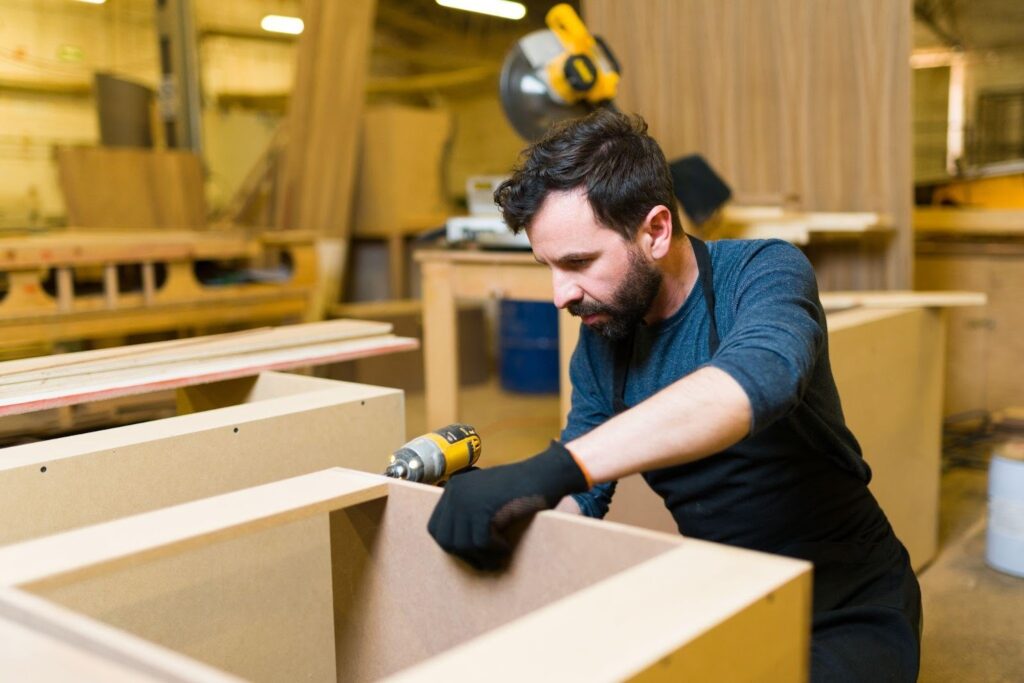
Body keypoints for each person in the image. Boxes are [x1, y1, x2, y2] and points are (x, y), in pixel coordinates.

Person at [427, 108, 921, 682]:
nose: (560, 295)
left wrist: (555, 468)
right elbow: (584, 492)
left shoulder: (762, 271)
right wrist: (509, 509)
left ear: (656, 231)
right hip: (723, 592)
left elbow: (754, 384)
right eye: (548, 267)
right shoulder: (604, 338)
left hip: (845, 599)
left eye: (579, 262)